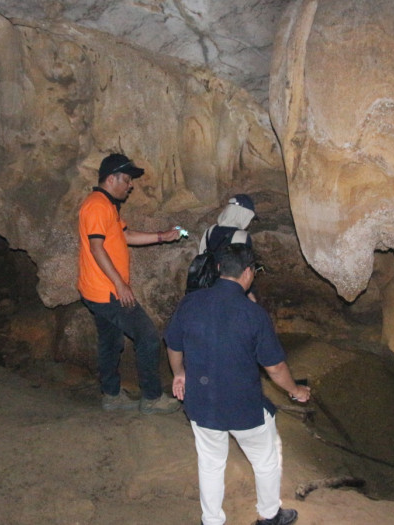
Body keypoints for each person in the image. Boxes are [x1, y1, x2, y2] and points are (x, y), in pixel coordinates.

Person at [164, 244, 311, 525]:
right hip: (244, 409)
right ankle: (269, 515)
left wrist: (179, 373)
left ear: (219, 269)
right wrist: (295, 391)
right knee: (266, 459)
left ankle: (212, 520)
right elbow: (276, 367)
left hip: (202, 405)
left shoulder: (191, 303)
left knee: (210, 462)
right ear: (248, 273)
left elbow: (173, 344)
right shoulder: (253, 314)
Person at [78, 152, 182, 415]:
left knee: (111, 342)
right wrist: (120, 285)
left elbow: (126, 236)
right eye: (126, 179)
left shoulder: (107, 205)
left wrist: (162, 237)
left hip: (100, 290)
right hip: (107, 291)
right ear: (111, 179)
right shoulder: (97, 206)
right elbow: (96, 248)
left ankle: (111, 395)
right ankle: (151, 398)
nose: (130, 185)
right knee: (147, 336)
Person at [198, 193, 258, 301]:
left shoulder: (209, 231)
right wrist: (250, 294)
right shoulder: (241, 236)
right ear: (243, 214)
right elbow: (244, 268)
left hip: (207, 288)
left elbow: (201, 257)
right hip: (230, 291)